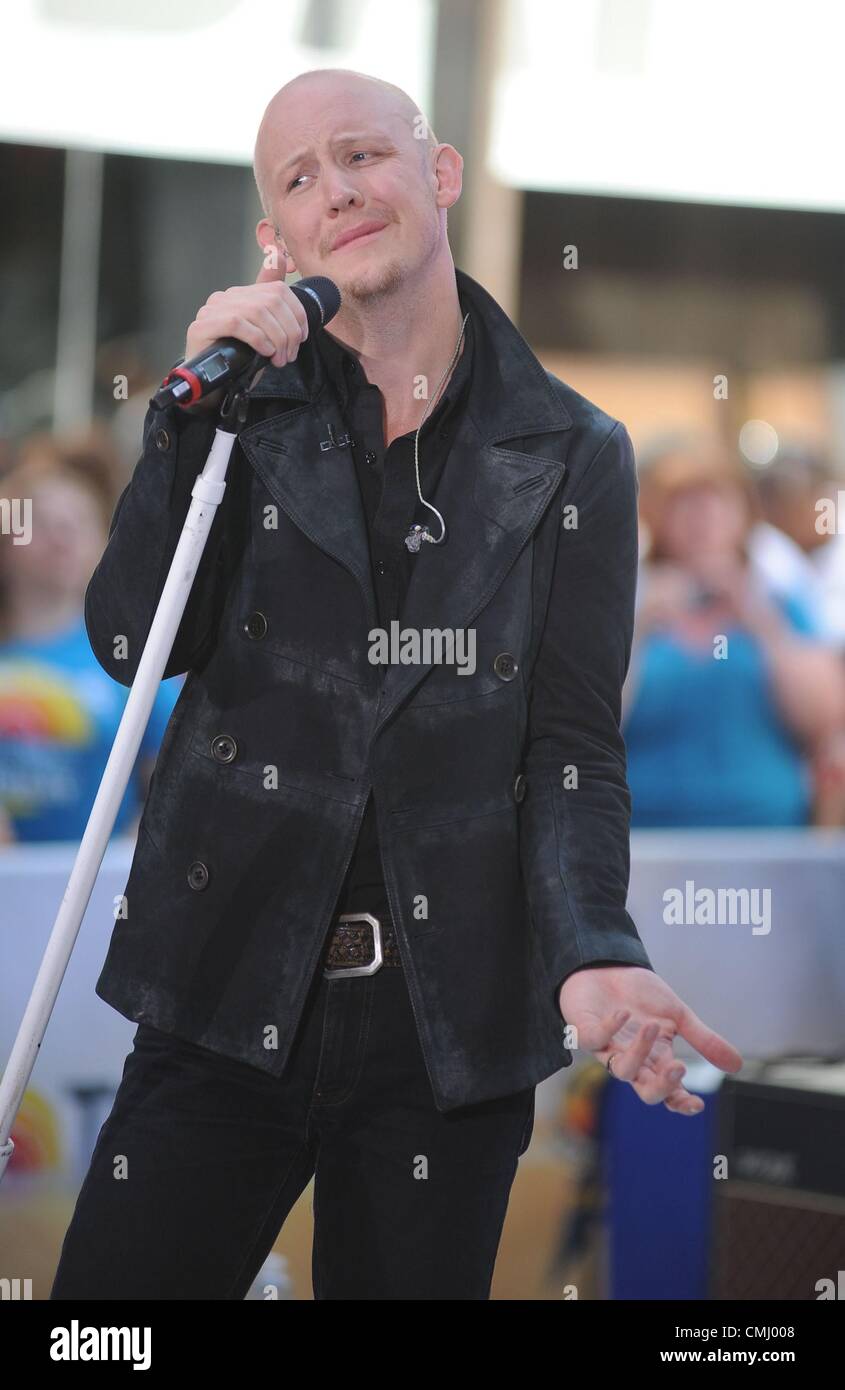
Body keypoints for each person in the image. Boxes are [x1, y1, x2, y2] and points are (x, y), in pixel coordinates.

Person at [50, 68, 742, 1301]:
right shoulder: (237, 415)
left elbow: (570, 745)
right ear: (275, 240)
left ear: (438, 174)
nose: (338, 192)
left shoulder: (574, 449)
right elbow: (126, 647)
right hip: (220, 994)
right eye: (299, 181)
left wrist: (591, 948)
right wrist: (187, 423)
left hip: (448, 1027)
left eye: (363, 155)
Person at [623, 436, 845, 828]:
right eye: (684, 505)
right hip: (643, 834)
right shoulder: (626, 602)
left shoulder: (779, 598)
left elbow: (824, 719)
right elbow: (592, 719)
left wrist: (761, 623)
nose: (701, 519)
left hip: (766, 836)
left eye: (716, 503)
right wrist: (638, 628)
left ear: (743, 515)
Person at [0, 433, 182, 844]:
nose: (61, 539)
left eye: (77, 524)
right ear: (7, 541)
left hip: (90, 891)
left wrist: (130, 857)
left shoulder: (130, 658)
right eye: (42, 524)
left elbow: (173, 780)